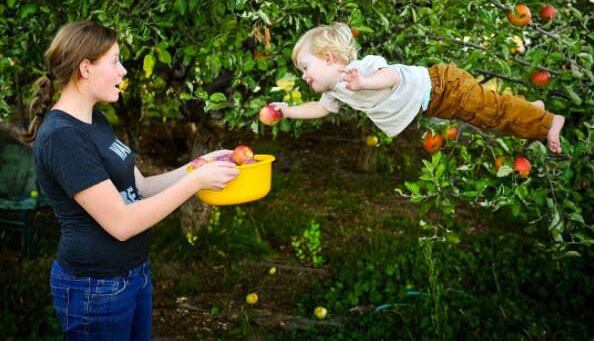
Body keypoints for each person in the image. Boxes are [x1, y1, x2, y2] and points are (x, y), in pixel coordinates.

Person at [22, 21, 239, 340]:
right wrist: (195, 184)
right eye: (115, 61)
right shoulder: (63, 138)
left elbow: (140, 189)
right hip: (96, 288)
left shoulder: (95, 119)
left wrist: (197, 166)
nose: (123, 71)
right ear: (85, 67)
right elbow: (121, 224)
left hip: (134, 273)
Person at [268, 22, 565, 153]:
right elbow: (319, 109)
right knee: (490, 116)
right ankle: (530, 111)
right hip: (438, 103)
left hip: (444, 86)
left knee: (491, 111)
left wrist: (364, 83)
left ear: (329, 58)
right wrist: (288, 111)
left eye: (305, 67)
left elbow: (392, 77)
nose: (304, 76)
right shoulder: (332, 90)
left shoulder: (359, 70)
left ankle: (551, 121)